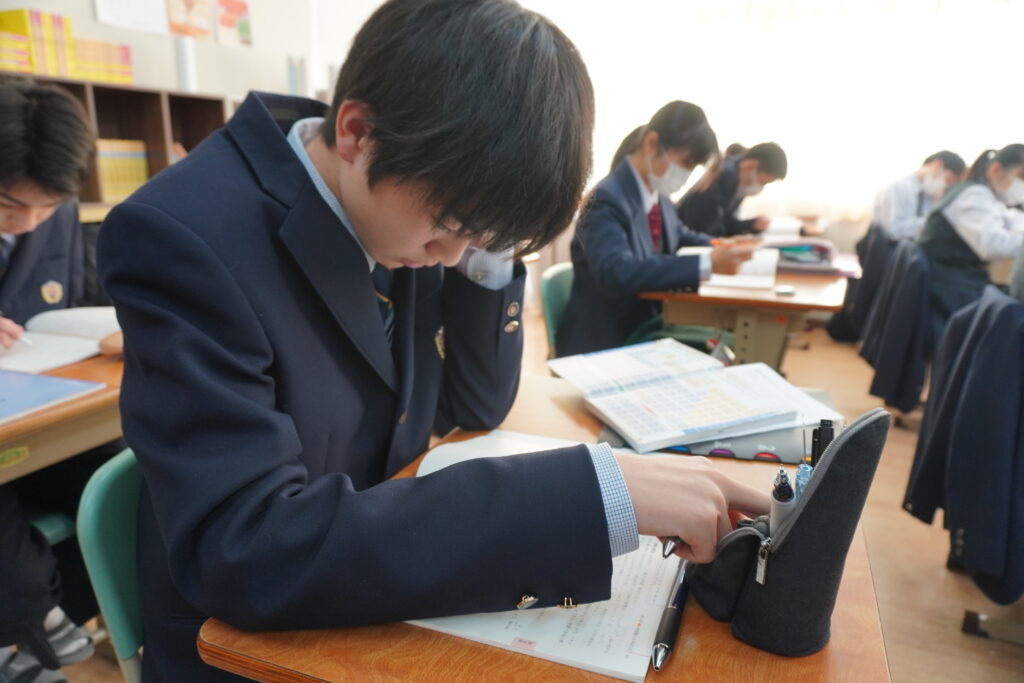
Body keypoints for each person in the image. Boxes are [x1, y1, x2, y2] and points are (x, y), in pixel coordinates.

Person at [96, 2, 769, 680]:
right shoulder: (184, 237)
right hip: (255, 645)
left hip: (379, 594)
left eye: (480, 238)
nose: (451, 258)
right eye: (450, 225)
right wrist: (593, 494)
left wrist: (489, 238)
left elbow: (474, 404)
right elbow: (246, 550)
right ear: (355, 132)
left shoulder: (408, 186)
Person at [0, 80, 106, 683]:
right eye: (10, 206)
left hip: (39, 408)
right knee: (15, 574)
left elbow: (76, 298)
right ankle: (27, 622)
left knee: (124, 488)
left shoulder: (57, 214)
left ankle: (45, 622)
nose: (29, 223)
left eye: (45, 207)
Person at [556, 101, 756, 357]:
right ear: (651, 144)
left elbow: (680, 234)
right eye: (686, 162)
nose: (686, 174)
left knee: (726, 345)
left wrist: (718, 246)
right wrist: (707, 263)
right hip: (607, 339)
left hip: (646, 326)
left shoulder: (658, 195)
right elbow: (616, 271)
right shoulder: (606, 199)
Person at [918, 145, 1024, 342]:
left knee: (1007, 303)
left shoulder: (982, 195)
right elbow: (993, 245)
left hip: (953, 277)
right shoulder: (974, 194)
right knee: (1010, 314)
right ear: (996, 170)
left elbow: (1010, 219)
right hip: (947, 283)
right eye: (1022, 176)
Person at [675, 141, 788, 237]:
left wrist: (751, 224)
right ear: (751, 165)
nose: (759, 187)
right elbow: (704, 228)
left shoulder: (737, 182)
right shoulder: (722, 176)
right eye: (762, 182)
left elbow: (724, 222)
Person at [872, 150, 967, 241]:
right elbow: (895, 232)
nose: (946, 186)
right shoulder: (898, 188)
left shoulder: (929, 195)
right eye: (948, 180)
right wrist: (935, 222)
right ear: (937, 165)